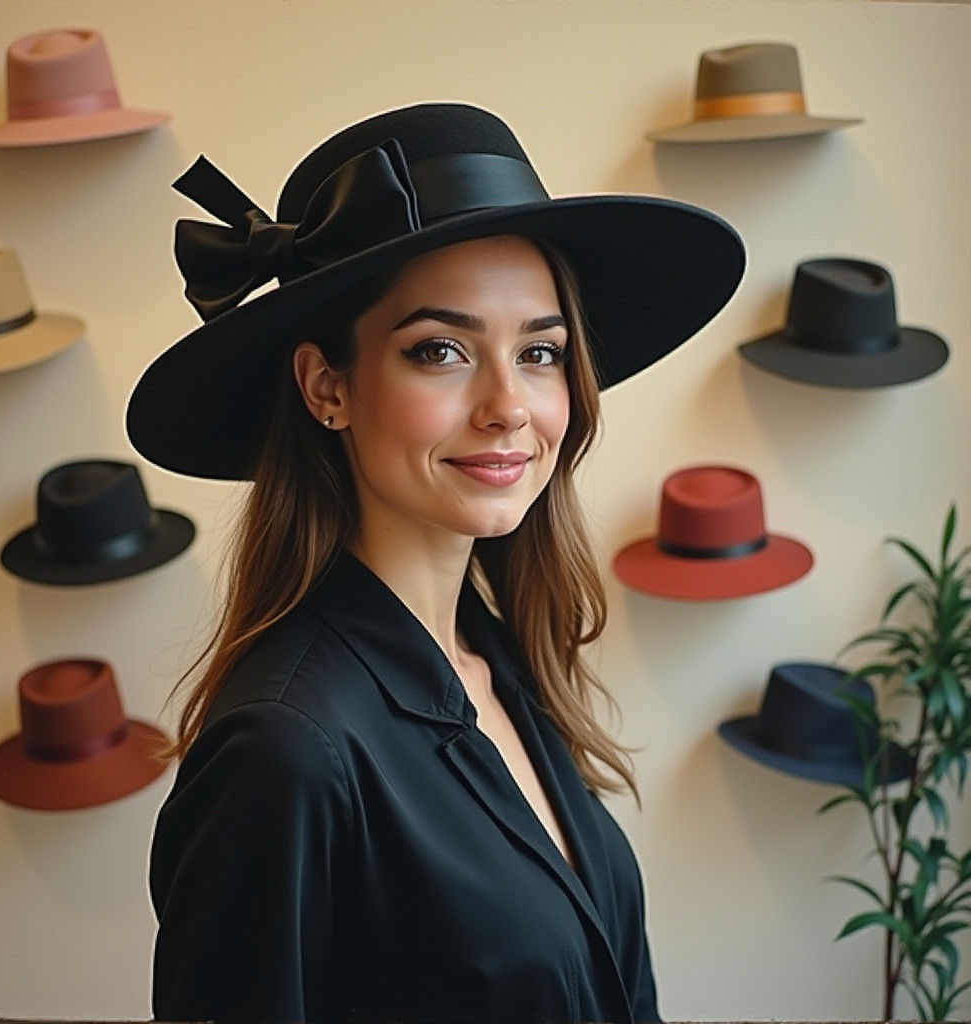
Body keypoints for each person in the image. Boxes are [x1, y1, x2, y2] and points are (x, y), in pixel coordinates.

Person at [127, 102, 744, 1024]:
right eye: (441, 351)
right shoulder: (286, 749)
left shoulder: (496, 654)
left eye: (540, 352)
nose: (508, 406)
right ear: (327, 387)